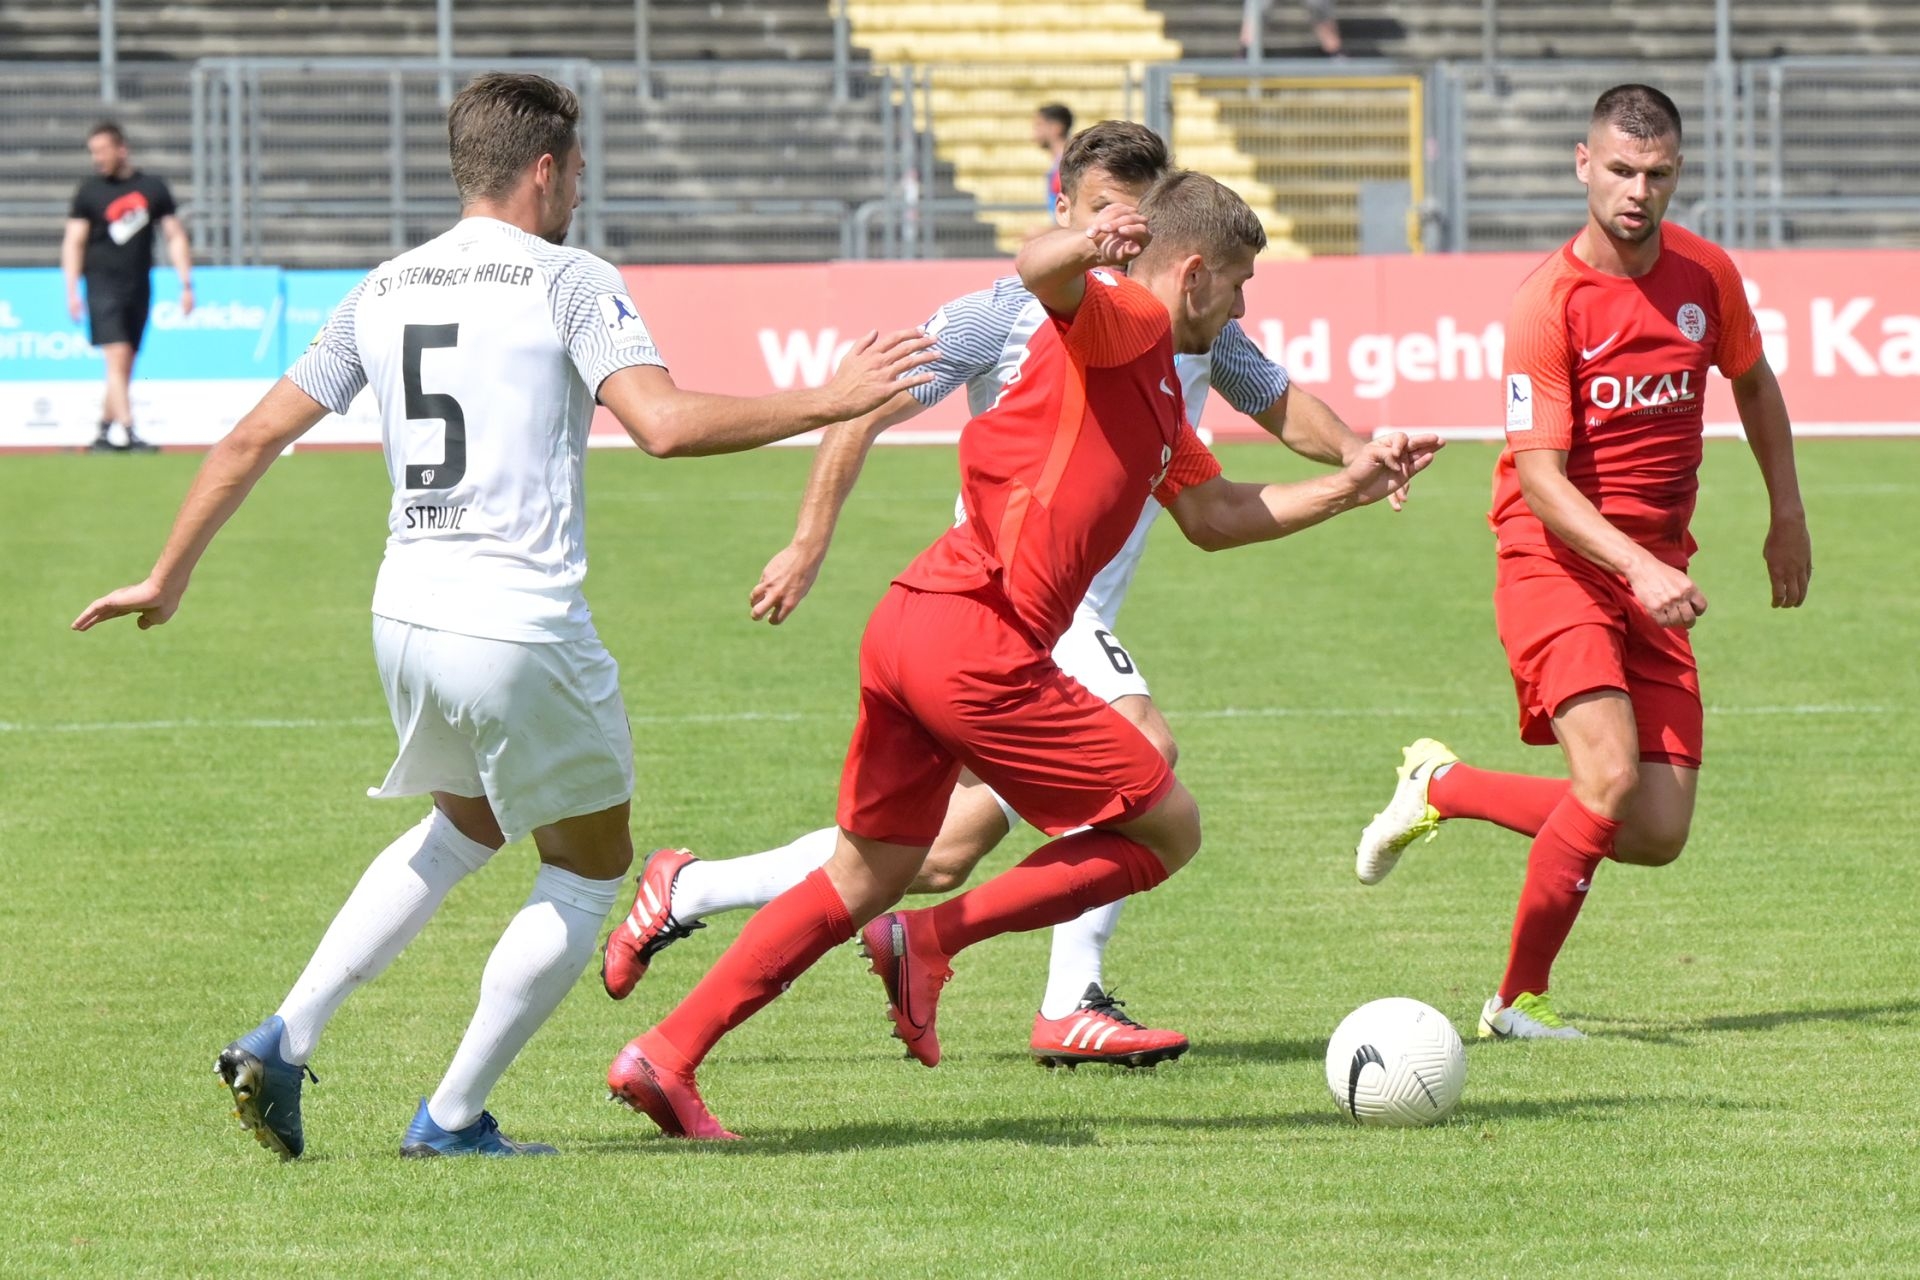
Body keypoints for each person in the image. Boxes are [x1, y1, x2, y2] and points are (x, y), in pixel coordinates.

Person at [71, 72, 934, 1160]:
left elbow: (251, 436)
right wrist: (830, 397)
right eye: (578, 170)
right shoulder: (570, 279)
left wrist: (167, 574)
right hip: (515, 621)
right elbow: (663, 424)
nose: (582, 188)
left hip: (404, 614)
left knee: (465, 823)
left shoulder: (382, 286)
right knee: (590, 866)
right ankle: (451, 1116)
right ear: (544, 169)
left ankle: (286, 1037)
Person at [606, 169, 1442, 1140]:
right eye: (1240, 286)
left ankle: (666, 1052)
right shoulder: (1126, 319)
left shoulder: (1157, 389)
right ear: (1195, 275)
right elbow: (1039, 269)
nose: (1244, 310)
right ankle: (934, 942)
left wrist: (1348, 483)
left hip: (913, 620)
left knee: (866, 874)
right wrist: (1089, 245)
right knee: (1168, 826)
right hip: (980, 640)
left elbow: (1215, 515)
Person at [1352, 84, 1812, 1040]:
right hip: (1553, 559)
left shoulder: (1706, 275)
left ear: (1677, 174)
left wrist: (1788, 514)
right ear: (1583, 165)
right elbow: (1542, 478)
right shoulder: (1547, 303)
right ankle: (1516, 1000)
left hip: (1655, 567)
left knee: (1656, 829)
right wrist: (1638, 568)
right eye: (1621, 170)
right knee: (1606, 781)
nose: (1638, 192)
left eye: (1658, 174)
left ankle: (1445, 788)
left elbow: (1755, 382)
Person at [63, 121, 194, 453]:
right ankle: (129, 430)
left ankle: (103, 432)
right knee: (117, 355)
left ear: (122, 149)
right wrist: (71, 289)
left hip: (138, 285)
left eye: (102, 150)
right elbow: (74, 241)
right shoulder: (89, 191)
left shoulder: (152, 188)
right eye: (93, 152)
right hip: (101, 284)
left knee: (126, 361)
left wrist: (185, 283)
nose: (97, 158)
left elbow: (174, 235)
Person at [1035, 104, 1074, 206]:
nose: (1034, 132)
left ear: (1056, 128)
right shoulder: (1058, 164)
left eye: (1039, 125)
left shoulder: (1068, 165)